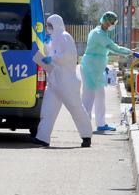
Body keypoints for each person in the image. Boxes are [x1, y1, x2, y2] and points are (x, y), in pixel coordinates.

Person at [32, 14, 93, 147]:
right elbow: (49, 55)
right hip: (54, 82)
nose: (48, 28)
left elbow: (70, 55)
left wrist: (53, 58)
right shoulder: (51, 40)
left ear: (56, 25)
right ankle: (42, 137)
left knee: (76, 109)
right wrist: (44, 49)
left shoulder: (65, 37)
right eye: (47, 25)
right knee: (47, 111)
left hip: (67, 83)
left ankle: (86, 135)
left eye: (50, 25)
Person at [81, 11, 133, 132]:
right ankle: (83, 125)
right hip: (91, 69)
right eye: (112, 23)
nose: (112, 25)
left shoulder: (101, 32)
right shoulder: (98, 34)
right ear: (105, 22)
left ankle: (101, 124)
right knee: (88, 98)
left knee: (100, 96)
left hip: (96, 69)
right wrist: (130, 52)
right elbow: (113, 47)